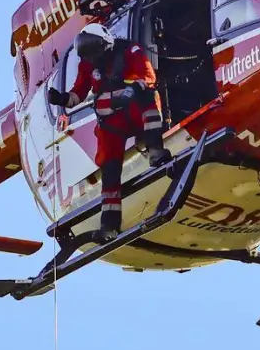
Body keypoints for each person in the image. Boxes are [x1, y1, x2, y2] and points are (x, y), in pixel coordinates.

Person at [46, 23, 171, 242]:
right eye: (89, 55)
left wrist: (134, 89)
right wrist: (62, 99)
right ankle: (109, 225)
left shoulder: (130, 51)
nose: (94, 58)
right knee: (110, 172)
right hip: (111, 121)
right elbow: (79, 92)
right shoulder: (87, 65)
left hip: (133, 108)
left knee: (149, 100)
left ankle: (156, 151)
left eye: (95, 51)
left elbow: (148, 76)